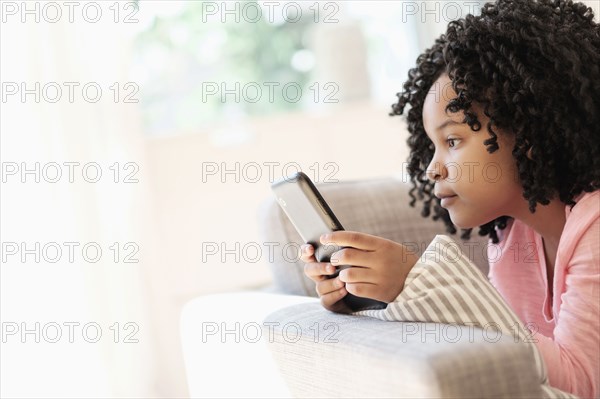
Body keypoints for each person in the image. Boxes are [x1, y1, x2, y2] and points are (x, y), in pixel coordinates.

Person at [299, 0, 599, 397]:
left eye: (453, 140)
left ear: (527, 133)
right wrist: (379, 298)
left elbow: (581, 383)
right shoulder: (513, 240)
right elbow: (504, 357)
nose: (432, 169)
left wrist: (424, 285)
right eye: (432, 146)